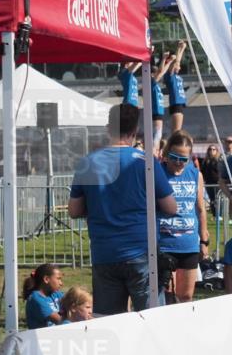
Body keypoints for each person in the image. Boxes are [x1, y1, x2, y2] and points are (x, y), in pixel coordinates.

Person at [68, 103, 177, 315]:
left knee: (109, 321)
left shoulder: (88, 162)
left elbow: (74, 210)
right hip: (141, 252)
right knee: (153, 320)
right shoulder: (145, 162)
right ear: (135, 130)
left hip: (104, 253)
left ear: (108, 128)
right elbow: (171, 207)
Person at [158, 131, 208, 304]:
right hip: (164, 244)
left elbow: (200, 209)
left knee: (186, 297)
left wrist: (204, 241)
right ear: (166, 154)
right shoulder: (157, 173)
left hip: (189, 245)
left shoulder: (195, 175)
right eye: (174, 157)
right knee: (168, 296)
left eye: (184, 159)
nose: (179, 163)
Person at [23, 263, 64, 329]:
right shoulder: (35, 299)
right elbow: (60, 321)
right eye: (58, 278)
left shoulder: (56, 294)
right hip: (41, 338)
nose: (61, 283)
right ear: (46, 279)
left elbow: (73, 304)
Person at [164, 40, 188, 133]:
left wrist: (183, 49)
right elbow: (176, 62)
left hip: (179, 104)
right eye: (177, 65)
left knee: (177, 131)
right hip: (176, 104)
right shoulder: (169, 76)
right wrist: (179, 48)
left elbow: (178, 62)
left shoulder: (176, 76)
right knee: (176, 131)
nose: (180, 66)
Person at [201, 144, 222, 212]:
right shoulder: (205, 161)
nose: (211, 151)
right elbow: (202, 172)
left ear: (216, 151)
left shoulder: (219, 160)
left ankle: (219, 214)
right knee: (212, 198)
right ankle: (214, 213)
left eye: (213, 149)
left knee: (218, 198)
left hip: (217, 182)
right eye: (210, 149)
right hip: (208, 182)